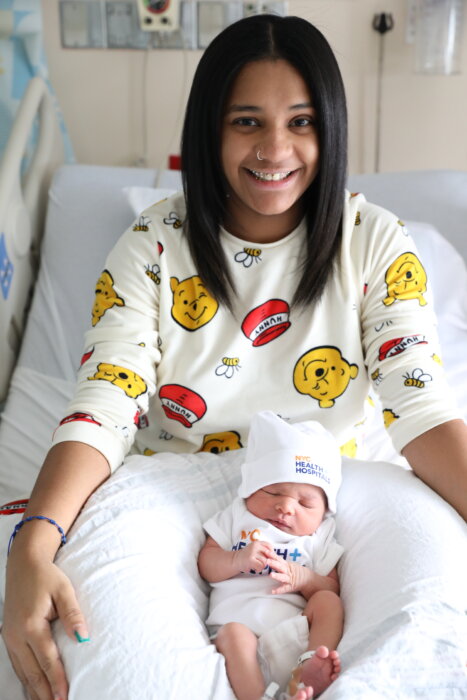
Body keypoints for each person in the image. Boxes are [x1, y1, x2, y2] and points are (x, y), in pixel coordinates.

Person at [2, 12, 466, 700]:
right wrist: (34, 544)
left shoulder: (375, 242)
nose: (274, 148)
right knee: (119, 672)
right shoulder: (152, 245)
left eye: (301, 122)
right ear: (209, 129)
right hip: (171, 482)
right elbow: (106, 398)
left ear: (329, 128)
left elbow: (420, 406)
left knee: (432, 651)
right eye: (246, 121)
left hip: (335, 483)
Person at [198, 411, 344, 700]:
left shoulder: (319, 535)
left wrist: (304, 578)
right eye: (274, 492)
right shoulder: (237, 515)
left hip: (295, 630)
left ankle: (306, 671)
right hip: (237, 633)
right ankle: (256, 696)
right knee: (235, 634)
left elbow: (331, 586)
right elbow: (206, 564)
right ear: (250, 490)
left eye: (305, 503)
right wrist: (234, 560)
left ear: (324, 511)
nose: (287, 507)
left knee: (328, 602)